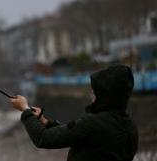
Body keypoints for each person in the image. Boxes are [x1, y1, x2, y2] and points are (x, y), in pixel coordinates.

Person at [10, 64, 138, 161]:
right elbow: (79, 135)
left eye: (95, 90)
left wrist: (25, 109)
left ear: (106, 94)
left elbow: (43, 138)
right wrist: (46, 122)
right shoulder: (130, 127)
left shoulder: (92, 124)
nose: (91, 93)